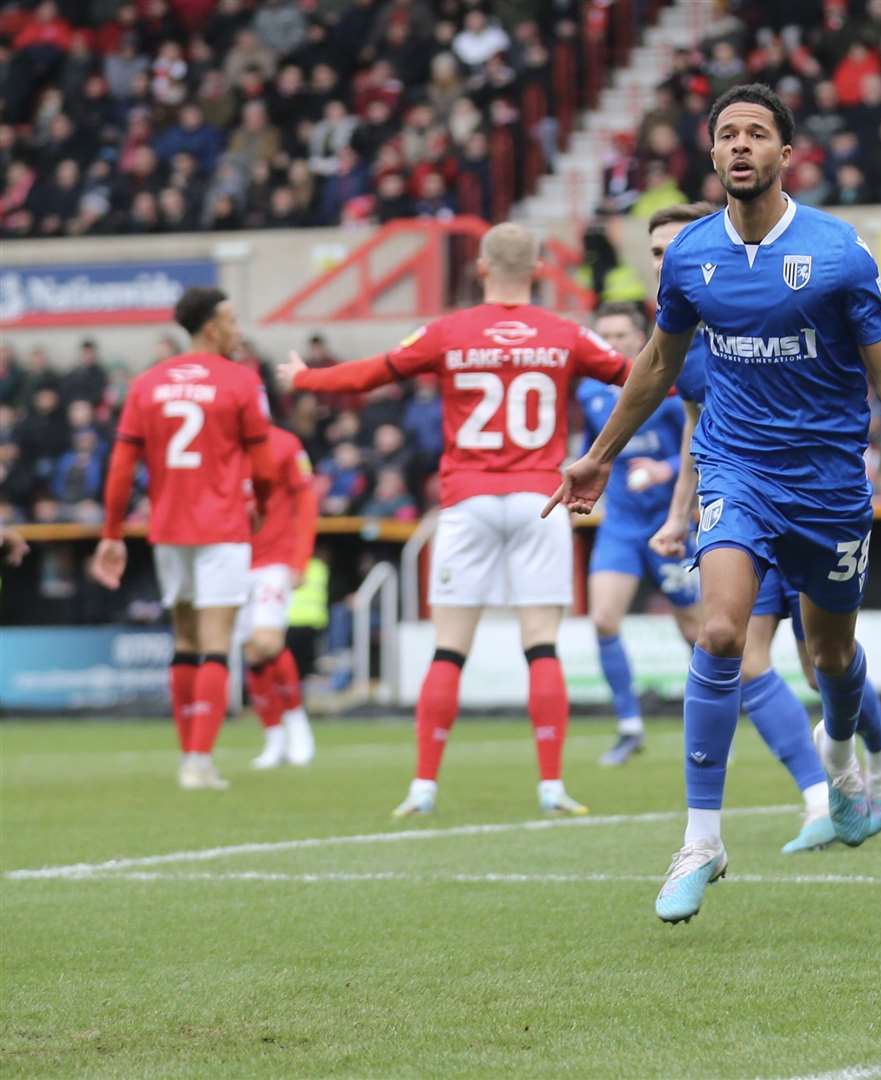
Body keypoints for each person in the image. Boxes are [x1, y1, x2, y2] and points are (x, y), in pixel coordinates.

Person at [547, 84, 881, 922]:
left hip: (830, 486)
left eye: (756, 134)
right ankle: (702, 839)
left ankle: (844, 751)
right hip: (737, 471)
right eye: (726, 134)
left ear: (785, 153)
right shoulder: (692, 257)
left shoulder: (839, 253)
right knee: (724, 631)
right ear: (711, 153)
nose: (740, 146)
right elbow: (659, 367)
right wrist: (596, 458)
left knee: (831, 659)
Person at [278, 223, 630, 819]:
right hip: (538, 500)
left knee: (449, 650)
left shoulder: (449, 332)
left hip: (466, 501)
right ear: (540, 270)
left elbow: (373, 373)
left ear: (482, 269)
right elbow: (636, 377)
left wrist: (306, 377)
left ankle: (423, 785)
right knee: (540, 643)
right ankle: (550, 785)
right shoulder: (564, 334)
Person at [641, 202, 877, 857]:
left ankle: (861, 754)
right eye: (654, 254)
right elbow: (696, 425)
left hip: (818, 490)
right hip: (739, 494)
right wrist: (677, 514)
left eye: (669, 251)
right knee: (730, 644)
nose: (662, 263)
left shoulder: (764, 287)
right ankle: (732, 828)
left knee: (824, 655)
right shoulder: (684, 324)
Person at [92, 287, 278, 791]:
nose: (238, 330)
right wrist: (260, 503)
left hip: (170, 529)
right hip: (222, 527)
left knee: (186, 641)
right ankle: (199, 760)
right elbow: (263, 463)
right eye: (232, 320)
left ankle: (187, 755)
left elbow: (121, 466)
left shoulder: (147, 383)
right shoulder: (240, 381)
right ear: (211, 327)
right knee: (217, 645)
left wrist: (112, 533)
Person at [582, 300, 701, 765]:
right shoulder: (591, 392)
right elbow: (594, 449)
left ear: (641, 338)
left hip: (669, 524)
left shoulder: (669, 388)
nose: (611, 344)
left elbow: (696, 443)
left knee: (696, 630)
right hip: (622, 525)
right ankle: (629, 726)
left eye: (620, 336)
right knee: (604, 619)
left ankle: (711, 726)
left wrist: (664, 468)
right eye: (604, 337)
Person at [240, 425, 319, 770]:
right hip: (230, 559)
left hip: (273, 558)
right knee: (251, 651)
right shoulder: (217, 442)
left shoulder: (285, 443)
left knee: (267, 641)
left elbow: (306, 500)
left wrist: (300, 558)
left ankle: (297, 722)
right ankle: (273, 735)